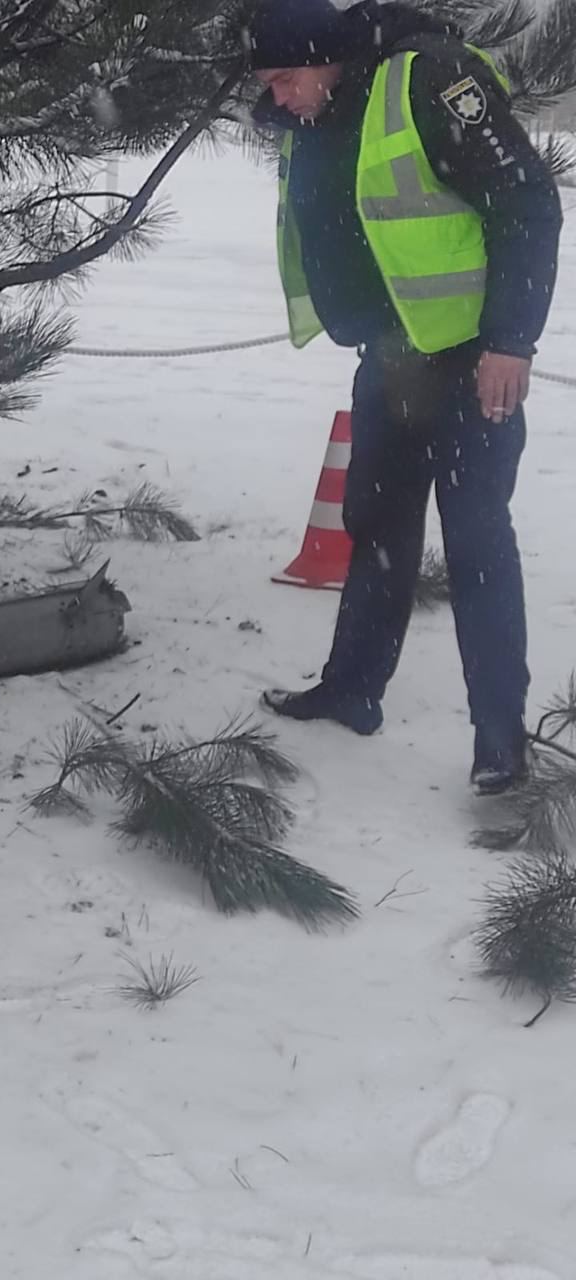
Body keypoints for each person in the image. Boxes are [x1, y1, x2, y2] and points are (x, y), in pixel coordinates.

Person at [243, 0, 563, 795]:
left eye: (285, 78)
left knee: (476, 542)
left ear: (323, 56)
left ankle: (500, 739)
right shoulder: (317, 113)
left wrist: (511, 342)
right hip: (388, 360)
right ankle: (352, 689)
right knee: (376, 528)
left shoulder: (430, 80)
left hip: (469, 362)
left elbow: (527, 200)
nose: (278, 96)